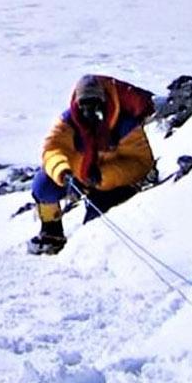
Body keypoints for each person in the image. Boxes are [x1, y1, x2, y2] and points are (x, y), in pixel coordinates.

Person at [28, 74, 157, 255]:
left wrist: (104, 177)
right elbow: (53, 149)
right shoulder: (67, 122)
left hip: (111, 182)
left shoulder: (124, 124)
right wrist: (63, 172)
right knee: (44, 186)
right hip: (77, 176)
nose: (89, 111)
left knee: (94, 224)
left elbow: (140, 163)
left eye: (94, 104)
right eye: (84, 105)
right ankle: (52, 232)